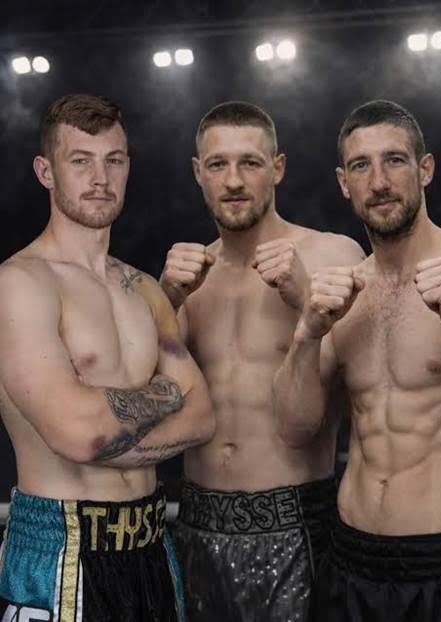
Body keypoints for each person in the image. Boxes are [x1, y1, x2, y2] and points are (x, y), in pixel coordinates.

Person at [0, 93, 214, 622]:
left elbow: (203, 415)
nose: (100, 177)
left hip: (151, 546)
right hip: (61, 548)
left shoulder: (144, 289)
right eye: (81, 161)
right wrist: (166, 394)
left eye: (113, 160)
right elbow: (77, 435)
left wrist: (104, 430)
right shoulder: (20, 284)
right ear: (45, 172)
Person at [159, 101, 364, 622]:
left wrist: (305, 298)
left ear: (277, 168)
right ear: (198, 172)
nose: (233, 180)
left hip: (297, 523)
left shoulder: (333, 255)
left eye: (250, 162)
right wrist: (164, 301)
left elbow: (365, 382)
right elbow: (156, 405)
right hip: (197, 523)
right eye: (218, 164)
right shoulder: (187, 278)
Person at [275, 99, 441, 621]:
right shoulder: (345, 291)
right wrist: (307, 333)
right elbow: (295, 429)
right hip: (350, 558)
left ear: (425, 169)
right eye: (361, 166)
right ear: (344, 183)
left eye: (395, 160)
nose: (379, 181)